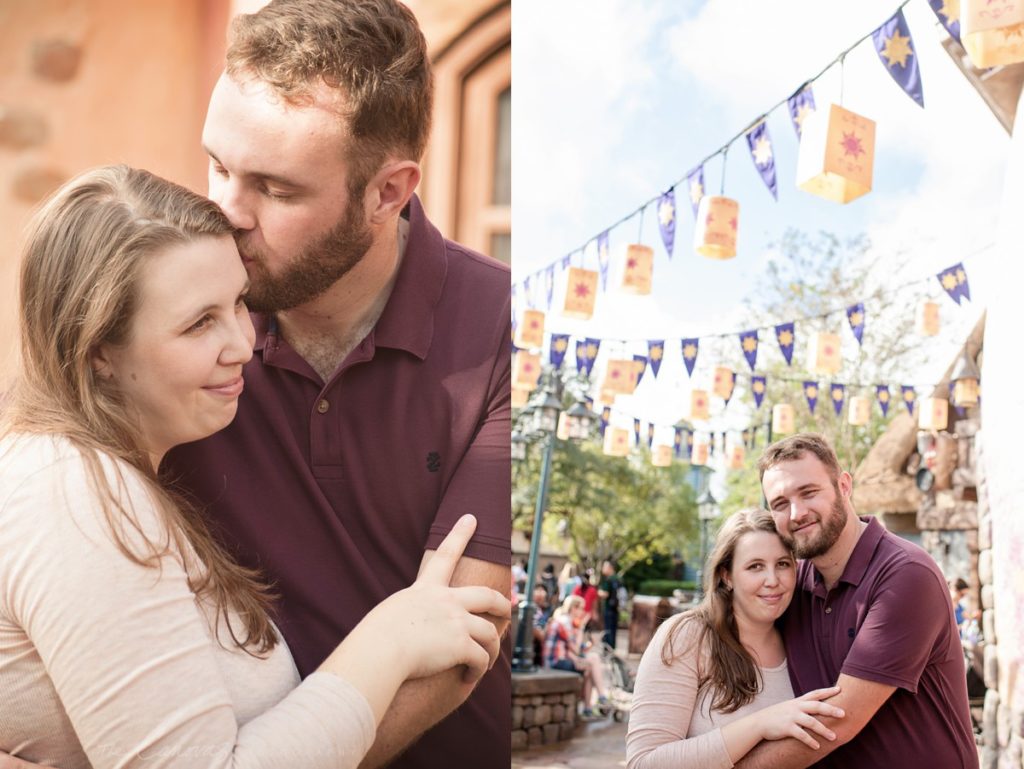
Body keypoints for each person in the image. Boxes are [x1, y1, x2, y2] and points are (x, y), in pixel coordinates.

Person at [0, 165, 509, 769]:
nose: (243, 344)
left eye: (238, 302)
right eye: (198, 323)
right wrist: (389, 639)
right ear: (99, 353)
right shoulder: (75, 494)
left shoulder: (117, 475)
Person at [158, 2, 512, 767]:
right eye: (217, 165)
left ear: (387, 192)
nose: (225, 214)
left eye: (276, 191)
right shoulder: (160, 310)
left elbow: (462, 641)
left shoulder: (507, 328)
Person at [737, 433, 978, 768]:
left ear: (844, 486)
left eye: (809, 492)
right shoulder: (789, 585)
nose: (796, 513)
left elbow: (837, 722)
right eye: (780, 503)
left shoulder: (905, 574)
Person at [627, 509, 844, 769]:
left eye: (783, 564)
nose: (772, 580)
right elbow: (644, 763)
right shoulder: (688, 636)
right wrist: (760, 724)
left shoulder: (804, 641)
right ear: (726, 576)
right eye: (755, 566)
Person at [544, 595, 610, 718]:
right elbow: (575, 649)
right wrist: (581, 628)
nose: (582, 612)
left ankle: (590, 707)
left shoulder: (568, 622)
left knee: (592, 661)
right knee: (592, 661)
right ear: (573, 608)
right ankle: (598, 699)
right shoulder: (564, 622)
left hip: (564, 658)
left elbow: (578, 650)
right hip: (556, 661)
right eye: (580, 608)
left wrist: (592, 643)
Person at [598, 559, 624, 649]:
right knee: (613, 630)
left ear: (610, 568)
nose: (603, 569)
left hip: (609, 607)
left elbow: (605, 594)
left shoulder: (608, 580)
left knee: (608, 629)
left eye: (604, 566)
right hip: (616, 608)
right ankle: (612, 648)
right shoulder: (618, 579)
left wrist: (599, 592)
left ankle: (607, 649)